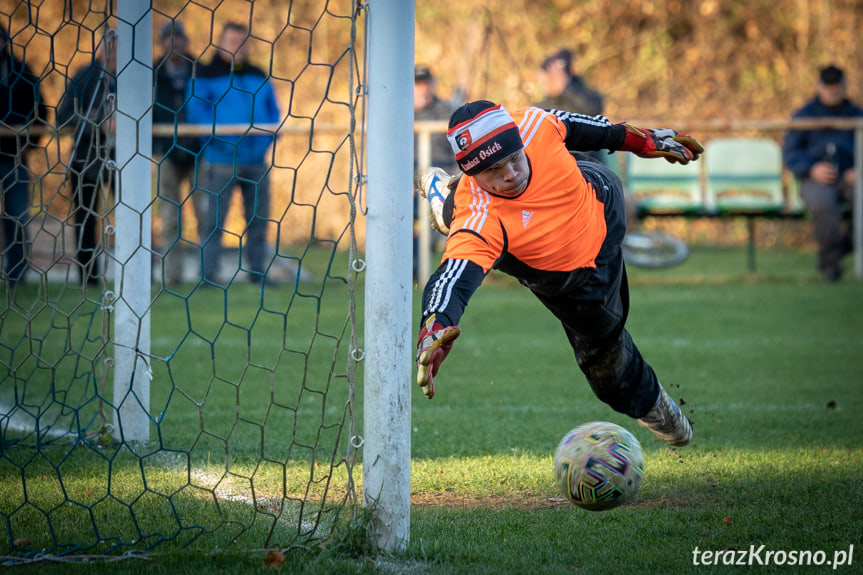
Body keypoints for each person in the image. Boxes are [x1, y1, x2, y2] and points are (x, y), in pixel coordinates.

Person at [416, 101, 703, 447]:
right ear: (474, 174)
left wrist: (646, 141)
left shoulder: (534, 125)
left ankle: (442, 198)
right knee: (607, 370)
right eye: (493, 170)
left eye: (513, 159)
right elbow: (453, 278)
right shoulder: (478, 221)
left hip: (599, 202)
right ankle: (654, 404)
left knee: (583, 167)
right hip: (571, 283)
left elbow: (595, 128)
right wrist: (436, 324)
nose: (510, 174)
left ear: (519, 141)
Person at [186, 21, 281, 287]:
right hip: (220, 160)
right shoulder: (204, 73)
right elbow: (196, 113)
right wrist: (221, 142)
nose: (238, 47)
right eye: (232, 41)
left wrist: (263, 143)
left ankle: (257, 272)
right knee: (213, 222)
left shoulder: (258, 73)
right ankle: (208, 275)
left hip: (256, 160)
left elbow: (274, 112)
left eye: (243, 42)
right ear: (220, 42)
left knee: (258, 220)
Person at [783, 65, 863, 283]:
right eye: (828, 88)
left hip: (850, 177)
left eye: (837, 88)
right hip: (815, 178)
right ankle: (831, 267)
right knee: (824, 207)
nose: (832, 92)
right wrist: (811, 169)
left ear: (844, 87)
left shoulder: (857, 115)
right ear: (819, 87)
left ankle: (840, 249)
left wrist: (859, 170)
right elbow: (790, 152)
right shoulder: (804, 115)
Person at [57, 29, 117, 287]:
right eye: (111, 46)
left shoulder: (137, 77)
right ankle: (88, 279)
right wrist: (99, 123)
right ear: (102, 47)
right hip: (87, 159)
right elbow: (64, 117)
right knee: (85, 219)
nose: (115, 53)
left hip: (125, 159)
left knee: (132, 215)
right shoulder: (84, 76)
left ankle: (139, 274)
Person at [153, 20, 200, 285]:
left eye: (177, 37)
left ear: (185, 40)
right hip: (166, 153)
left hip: (197, 153)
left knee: (206, 217)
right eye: (168, 38)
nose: (173, 42)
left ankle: (208, 275)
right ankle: (172, 277)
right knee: (170, 219)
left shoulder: (199, 71)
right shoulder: (151, 73)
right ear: (161, 42)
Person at [1, 23, 46, 288]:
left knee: (17, 216)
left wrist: (30, 142)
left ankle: (17, 274)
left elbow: (40, 109)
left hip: (13, 157)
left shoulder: (21, 72)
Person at [414, 65, 458, 281]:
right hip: (407, 186)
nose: (422, 89)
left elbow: (458, 157)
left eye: (425, 84)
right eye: (417, 84)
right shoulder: (398, 113)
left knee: (436, 219)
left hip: (439, 183)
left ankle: (415, 272)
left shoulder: (447, 112)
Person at [535, 49, 603, 117]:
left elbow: (593, 111)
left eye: (553, 76)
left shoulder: (587, 95)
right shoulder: (541, 109)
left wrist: (565, 88)